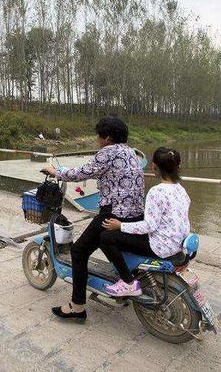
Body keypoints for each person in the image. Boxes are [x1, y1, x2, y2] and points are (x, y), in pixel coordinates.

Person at [40, 116, 144, 323]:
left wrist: (56, 171)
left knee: (79, 251)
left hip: (114, 213)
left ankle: (77, 307)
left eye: (99, 135)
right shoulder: (130, 152)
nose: (97, 139)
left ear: (107, 137)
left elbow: (81, 173)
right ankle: (123, 286)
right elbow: (110, 174)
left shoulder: (107, 152)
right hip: (136, 213)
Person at [100, 147, 191, 297]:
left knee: (106, 237)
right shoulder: (181, 189)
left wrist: (120, 225)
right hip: (177, 244)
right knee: (125, 234)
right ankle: (134, 272)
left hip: (160, 247)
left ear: (154, 166)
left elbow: (149, 225)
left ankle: (128, 282)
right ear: (178, 167)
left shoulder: (156, 191)